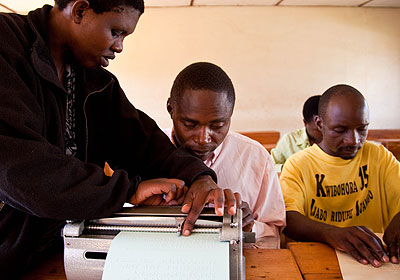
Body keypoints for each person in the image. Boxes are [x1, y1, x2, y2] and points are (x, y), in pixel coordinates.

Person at [0, 1, 238, 274]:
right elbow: (21, 170)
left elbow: (145, 143)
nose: (119, 46)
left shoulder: (96, 83)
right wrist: (128, 190)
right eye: (116, 31)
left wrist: (199, 176)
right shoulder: (5, 46)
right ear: (80, 10)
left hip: (50, 254)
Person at [165, 62, 286, 248]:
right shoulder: (142, 152)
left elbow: (273, 234)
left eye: (217, 126)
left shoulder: (256, 158)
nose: (203, 138)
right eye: (190, 125)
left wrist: (248, 226)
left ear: (230, 115)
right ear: (170, 109)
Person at [280, 84, 400, 267]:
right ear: (320, 124)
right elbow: (290, 219)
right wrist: (333, 234)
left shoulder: (379, 156)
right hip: (320, 261)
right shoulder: (299, 165)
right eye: (341, 130)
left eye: (362, 129)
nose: (354, 140)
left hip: (376, 260)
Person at [271, 95, 322, 172]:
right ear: (305, 123)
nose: (324, 133)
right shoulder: (289, 140)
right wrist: (289, 168)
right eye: (318, 130)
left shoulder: (337, 140)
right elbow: (270, 167)